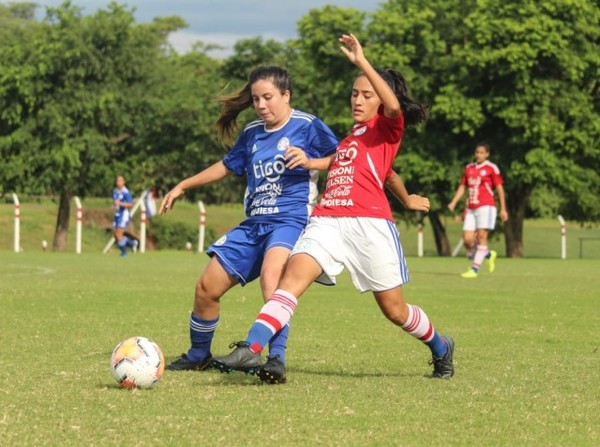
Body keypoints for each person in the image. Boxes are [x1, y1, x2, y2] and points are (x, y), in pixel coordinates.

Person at [212, 33, 455, 381]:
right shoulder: (352, 138)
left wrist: (362, 63)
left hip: (369, 225)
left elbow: (393, 122)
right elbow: (365, 168)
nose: (357, 99)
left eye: (366, 94)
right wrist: (312, 161)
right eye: (354, 93)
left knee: (395, 310)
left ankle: (441, 347)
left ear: (380, 99)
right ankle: (251, 349)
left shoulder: (387, 128)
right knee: (290, 281)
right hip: (327, 220)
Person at [158, 66, 339, 383]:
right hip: (254, 224)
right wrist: (183, 185)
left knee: (272, 279)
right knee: (206, 288)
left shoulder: (307, 126)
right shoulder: (253, 132)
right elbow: (227, 167)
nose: (261, 105)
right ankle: (199, 356)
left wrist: (312, 162)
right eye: (256, 99)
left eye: (268, 97)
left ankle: (275, 360)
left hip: (291, 219)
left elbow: (342, 158)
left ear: (286, 95)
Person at [448, 143, 508, 278]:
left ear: (487, 154)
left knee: (481, 237)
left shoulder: (491, 168)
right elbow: (463, 187)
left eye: (482, 153)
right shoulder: (469, 168)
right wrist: (454, 202)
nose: (479, 155)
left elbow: (499, 188)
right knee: (468, 239)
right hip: (471, 208)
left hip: (486, 206)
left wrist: (503, 209)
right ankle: (488, 254)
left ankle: (474, 269)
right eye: (477, 152)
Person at [112, 175, 137, 257]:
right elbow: (115, 202)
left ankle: (124, 253)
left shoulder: (126, 192)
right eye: (117, 180)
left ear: (123, 182)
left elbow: (131, 204)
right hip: (117, 214)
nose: (118, 182)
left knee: (119, 233)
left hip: (124, 215)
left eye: (120, 181)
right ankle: (132, 243)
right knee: (115, 234)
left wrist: (121, 204)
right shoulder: (115, 191)